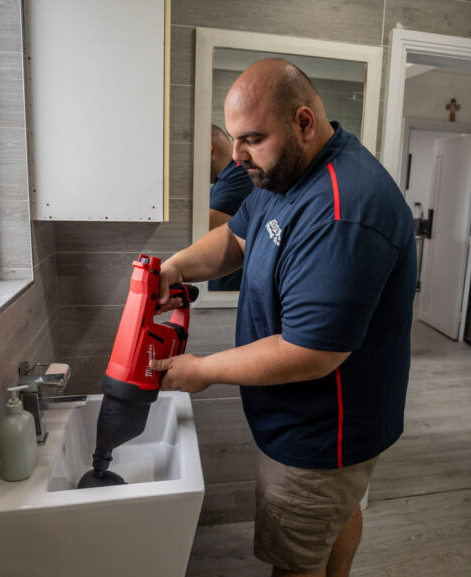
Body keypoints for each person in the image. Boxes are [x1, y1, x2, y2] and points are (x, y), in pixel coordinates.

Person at [150, 58, 416, 577]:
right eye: (232, 138)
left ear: (303, 122)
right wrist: (178, 266)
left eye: (251, 138)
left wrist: (201, 370)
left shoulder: (343, 210)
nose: (236, 155)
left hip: (322, 433)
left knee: (296, 560)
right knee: (335, 518)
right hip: (311, 426)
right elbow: (235, 239)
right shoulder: (283, 173)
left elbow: (309, 353)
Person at [208, 124, 253, 291]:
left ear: (209, 148)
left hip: (231, 290)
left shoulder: (240, 172)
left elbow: (202, 228)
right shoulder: (223, 179)